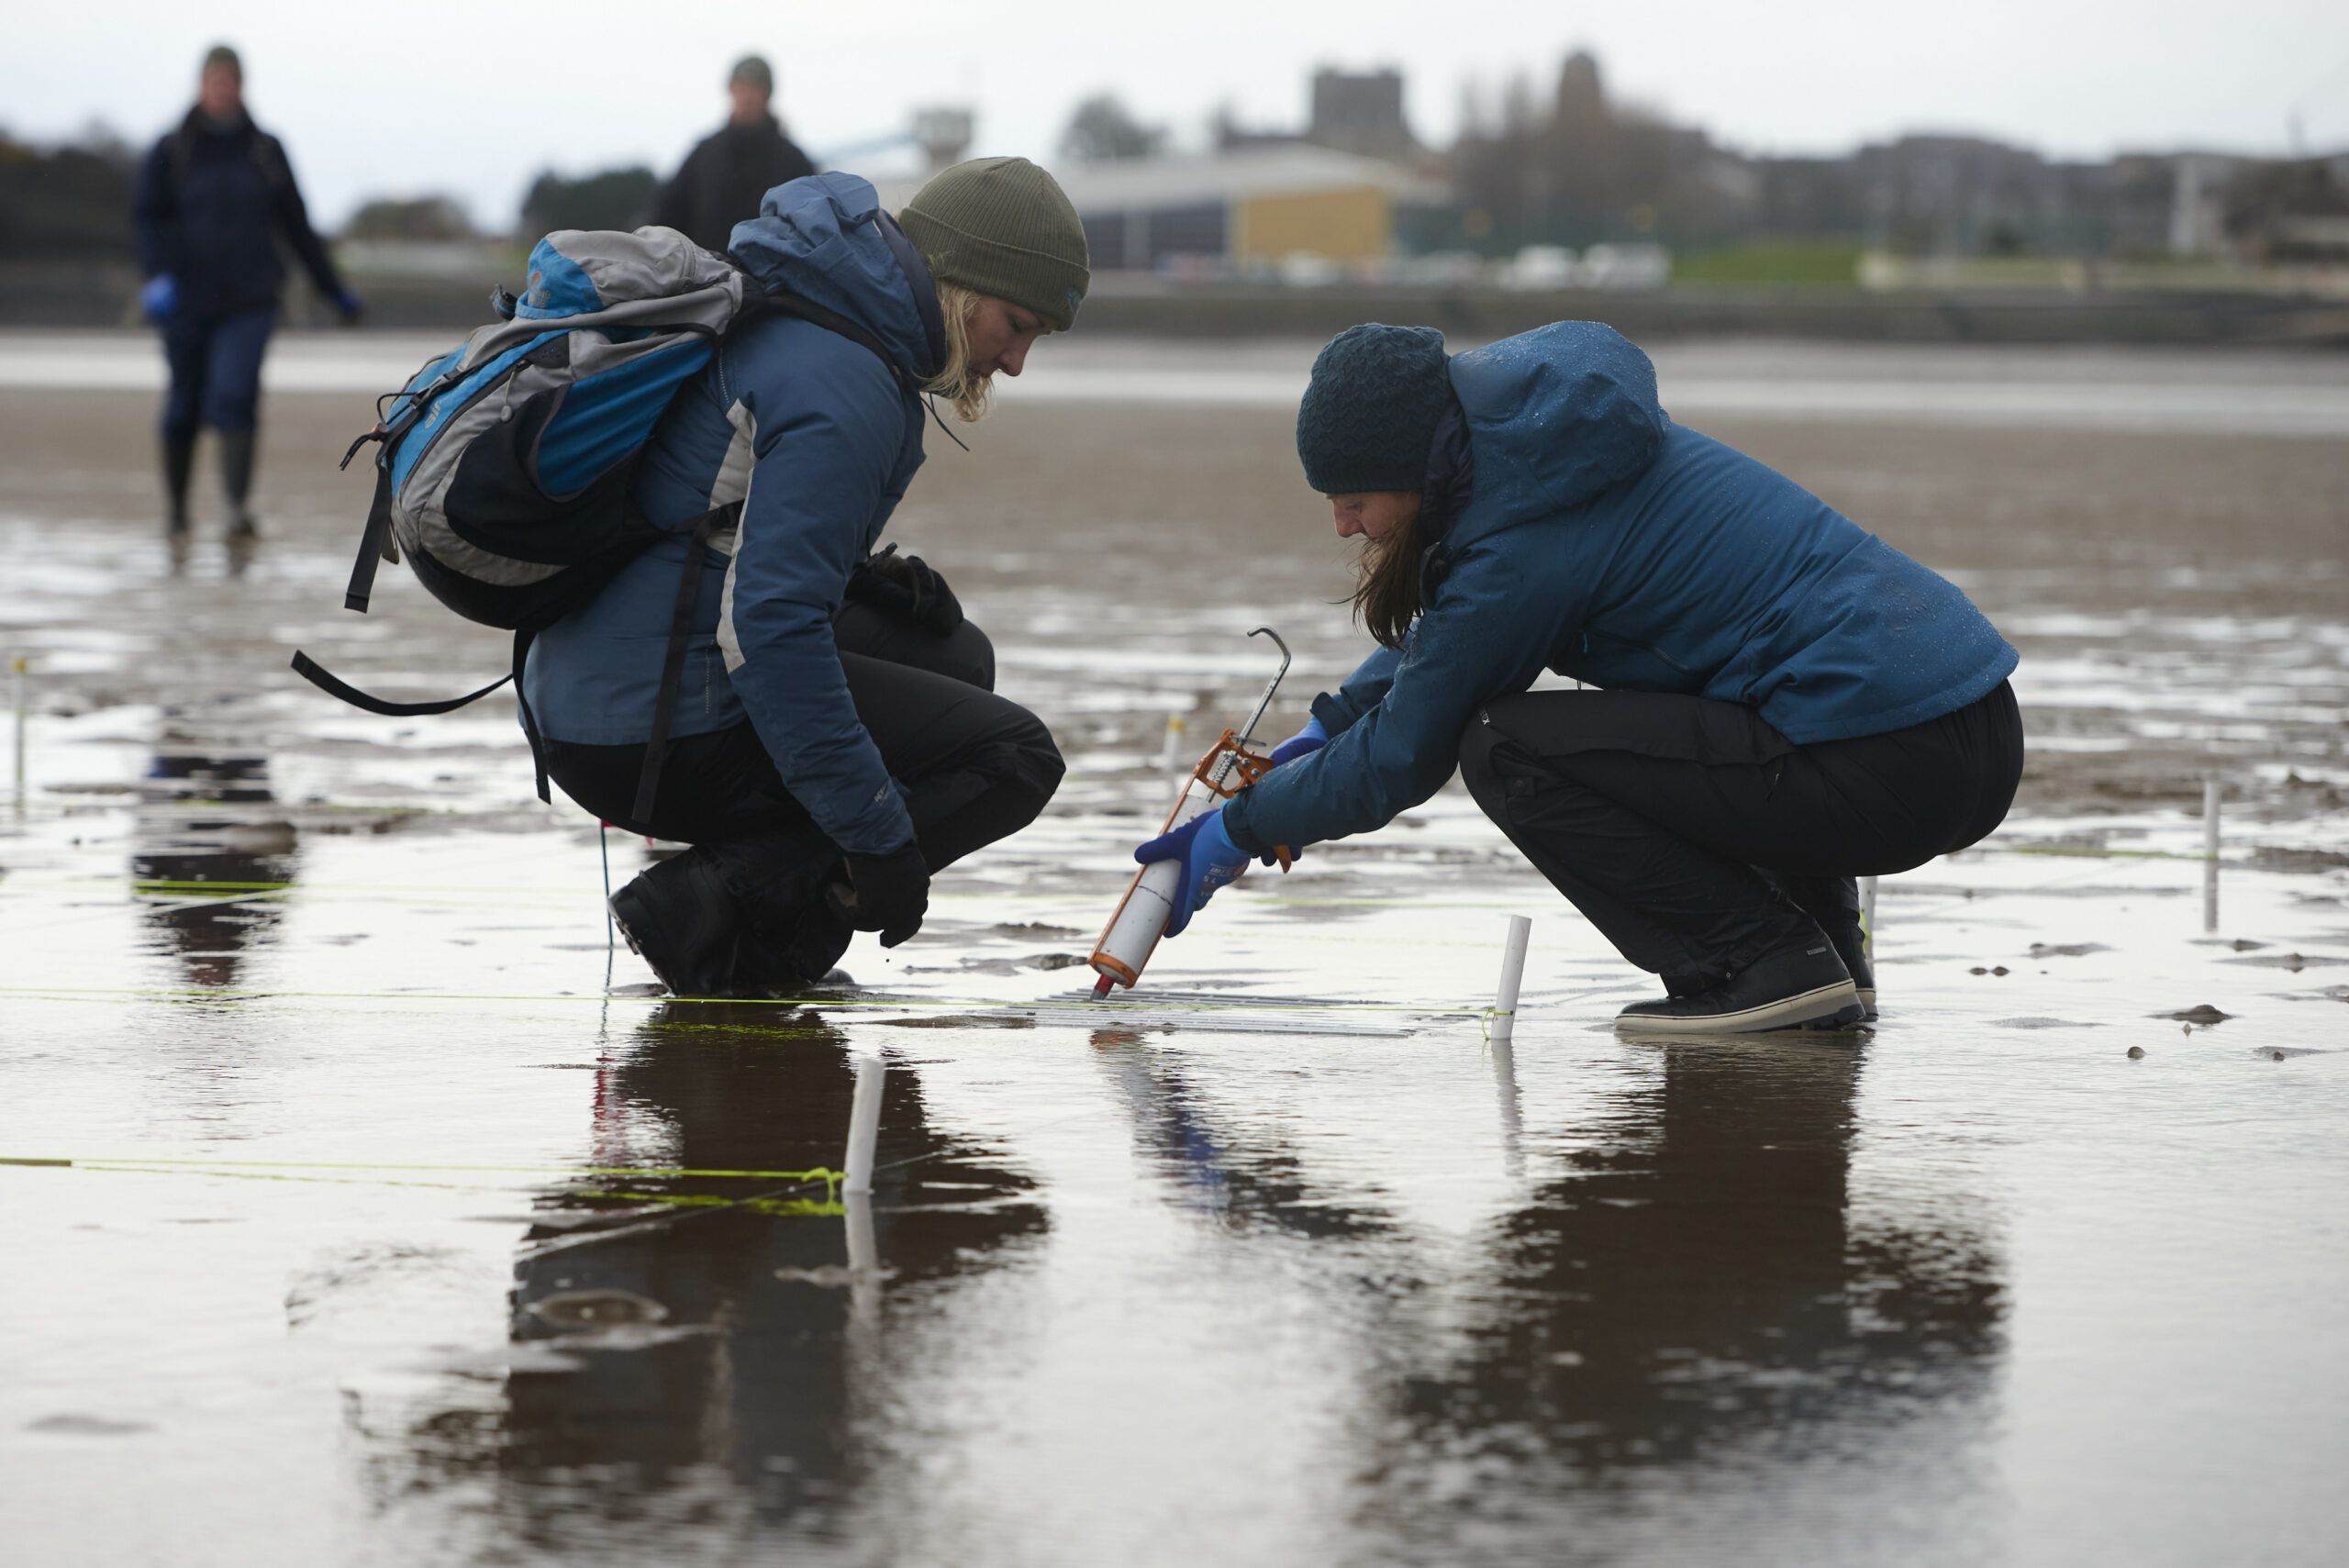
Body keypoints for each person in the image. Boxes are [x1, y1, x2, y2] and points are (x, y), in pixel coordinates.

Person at [1138, 321, 2023, 1034]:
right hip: (1969, 729)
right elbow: (1455, 635)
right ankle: (1825, 971)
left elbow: (1407, 755)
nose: (1342, 525)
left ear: (1418, 470)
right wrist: (1329, 726)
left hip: (1891, 761)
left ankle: (1756, 963)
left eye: (1355, 498)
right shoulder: (1548, 456)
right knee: (1717, 718)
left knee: (1504, 744)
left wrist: (1240, 829)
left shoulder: (1520, 544)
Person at [525, 157, 1090, 996]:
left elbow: (717, 528)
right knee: (1014, 758)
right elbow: (768, 631)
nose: (1014, 363)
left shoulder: (824, 314)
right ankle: (715, 920)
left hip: (591, 684)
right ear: (959, 286)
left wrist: (859, 581)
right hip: (631, 728)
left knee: (952, 657)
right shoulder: (846, 383)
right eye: (1015, 324)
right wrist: (878, 841)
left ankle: (742, 888)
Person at [131, 44, 361, 547]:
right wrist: (157, 276)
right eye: (213, 81)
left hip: (250, 299)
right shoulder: (171, 150)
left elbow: (297, 226)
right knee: (183, 406)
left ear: (240, 86)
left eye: (229, 81)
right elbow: (149, 219)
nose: (221, 90)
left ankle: (236, 510)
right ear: (201, 85)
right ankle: (177, 513)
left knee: (234, 395)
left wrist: (334, 290)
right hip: (186, 299)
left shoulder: (266, 151)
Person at [653, 55, 819, 254]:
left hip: (771, 281)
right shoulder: (703, 156)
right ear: (730, 90)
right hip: (708, 279)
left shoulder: (795, 162)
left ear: (767, 94)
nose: (747, 97)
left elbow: (814, 230)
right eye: (740, 88)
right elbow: (665, 221)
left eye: (755, 89)